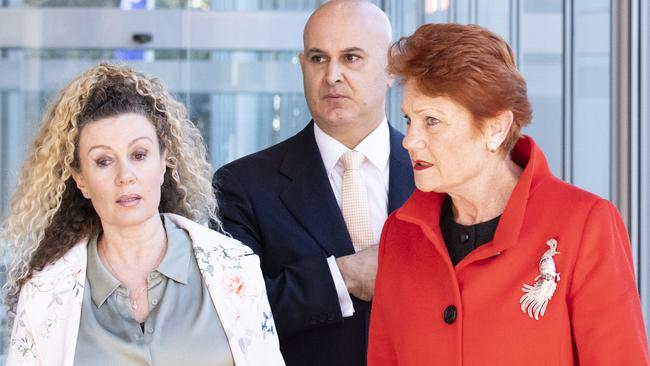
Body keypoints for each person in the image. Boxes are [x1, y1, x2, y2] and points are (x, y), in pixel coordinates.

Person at [367, 23, 650, 365]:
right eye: (409, 119)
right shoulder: (400, 234)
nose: (410, 140)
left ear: (495, 128)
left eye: (431, 121)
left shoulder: (583, 224)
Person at [2, 63, 285, 366]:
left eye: (139, 155)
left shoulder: (234, 269)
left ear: (164, 161)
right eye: (103, 161)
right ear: (80, 180)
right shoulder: (44, 297)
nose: (126, 176)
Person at [212, 1, 414, 365]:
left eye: (351, 58)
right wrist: (342, 277)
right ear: (303, 65)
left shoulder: (438, 175)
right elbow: (232, 315)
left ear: (391, 68)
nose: (332, 74)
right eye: (318, 59)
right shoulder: (241, 185)